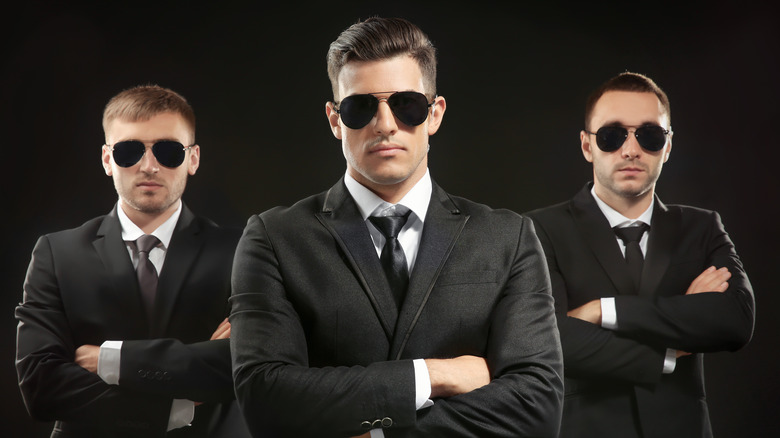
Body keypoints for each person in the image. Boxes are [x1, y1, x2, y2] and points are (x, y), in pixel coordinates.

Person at [229, 16, 563, 438]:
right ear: (335, 120)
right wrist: (431, 376)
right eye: (360, 107)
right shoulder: (274, 239)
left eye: (406, 104)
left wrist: (378, 434)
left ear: (435, 113)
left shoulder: (508, 239)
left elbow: (538, 407)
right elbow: (265, 399)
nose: (385, 124)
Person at [524, 72, 755, 438]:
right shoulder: (535, 231)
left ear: (668, 145)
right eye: (612, 136)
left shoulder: (702, 227)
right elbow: (548, 340)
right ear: (587, 146)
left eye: (649, 136)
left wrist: (606, 311)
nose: (631, 150)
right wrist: (669, 350)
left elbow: (736, 321)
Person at [15, 85, 249, 437]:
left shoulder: (243, 250)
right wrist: (177, 403)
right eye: (129, 151)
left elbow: (245, 364)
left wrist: (109, 360)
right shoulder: (57, 253)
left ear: (194, 158)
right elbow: (41, 386)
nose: (149, 166)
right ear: (108, 160)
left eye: (169, 151)